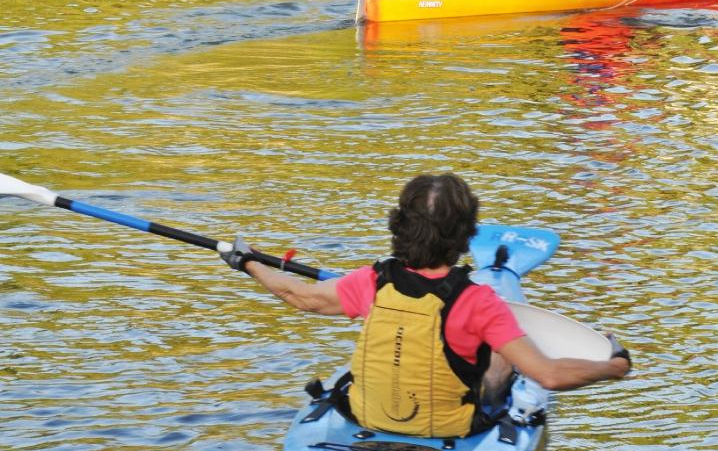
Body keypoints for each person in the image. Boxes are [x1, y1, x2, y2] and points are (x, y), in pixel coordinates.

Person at [218, 173, 631, 439]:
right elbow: (551, 375)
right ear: (466, 235)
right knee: (506, 361)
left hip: (367, 418)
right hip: (450, 428)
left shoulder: (371, 282)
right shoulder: (480, 303)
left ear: (399, 226)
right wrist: (613, 366)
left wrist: (249, 262)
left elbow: (298, 295)